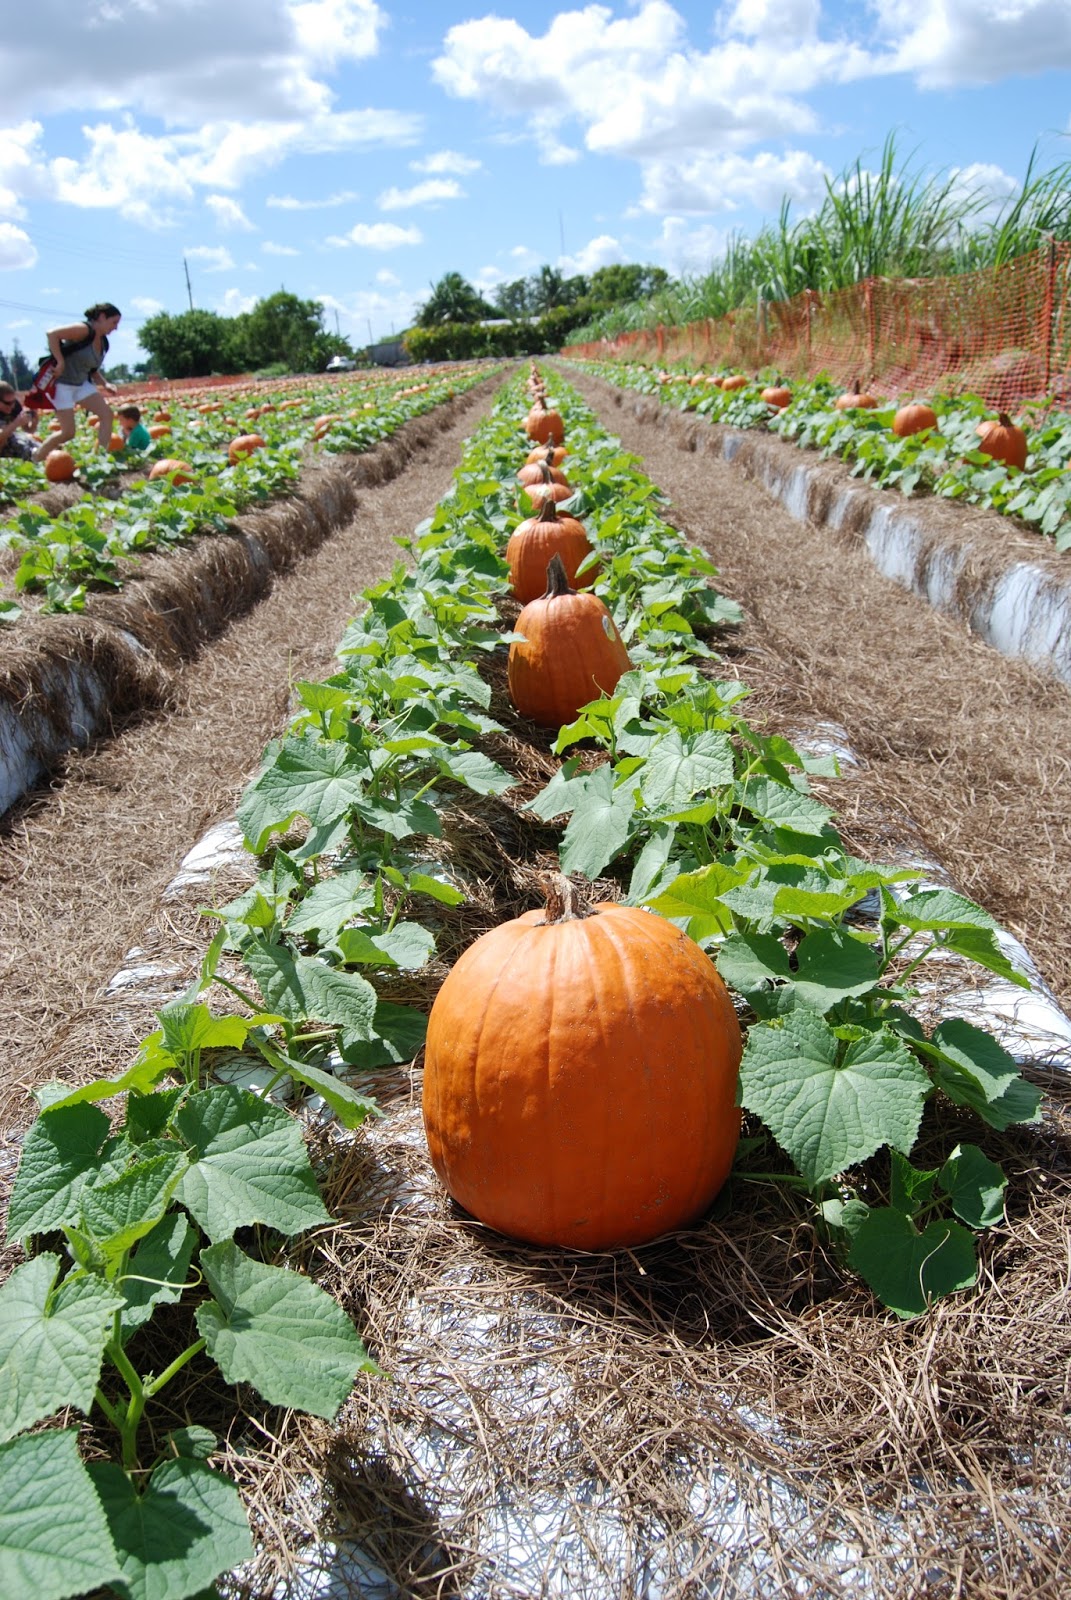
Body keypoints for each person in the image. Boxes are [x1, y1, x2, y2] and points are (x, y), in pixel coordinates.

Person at [31, 303, 122, 464]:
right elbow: (52, 334)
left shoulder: (103, 342)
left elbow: (92, 369)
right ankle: (37, 457)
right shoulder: (84, 330)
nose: (115, 328)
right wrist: (60, 361)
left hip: (81, 384)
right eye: (114, 322)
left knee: (106, 414)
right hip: (62, 385)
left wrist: (105, 384)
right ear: (101, 317)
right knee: (68, 433)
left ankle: (99, 460)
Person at [0, 381, 38, 460]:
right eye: (7, 403)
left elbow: (28, 430)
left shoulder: (15, 406)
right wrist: (16, 423)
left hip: (11, 439)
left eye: (13, 402)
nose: (12, 406)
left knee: (39, 448)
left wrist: (35, 421)